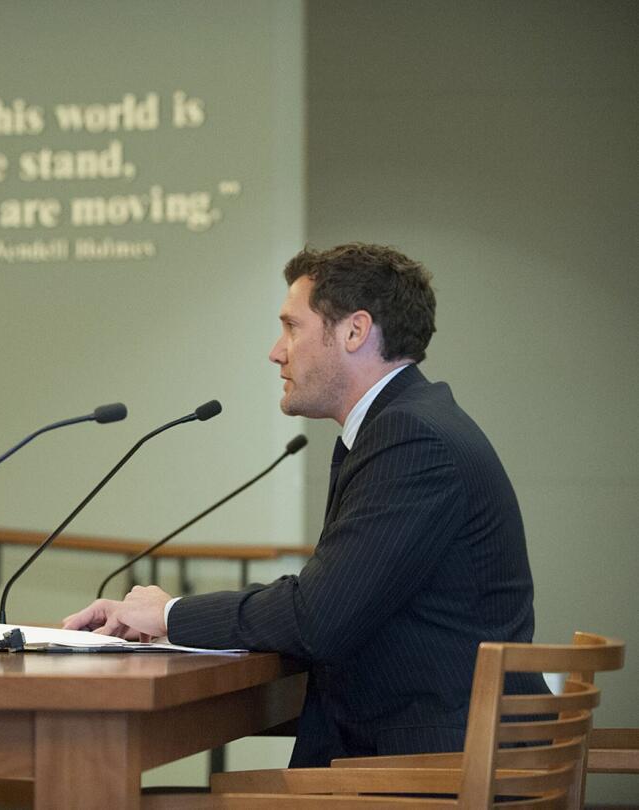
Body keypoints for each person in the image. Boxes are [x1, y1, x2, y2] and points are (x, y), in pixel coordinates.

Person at [63, 243, 545, 767]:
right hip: (428, 750)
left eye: (292, 326)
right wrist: (166, 618)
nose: (276, 350)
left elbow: (319, 617)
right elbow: (331, 600)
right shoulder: (407, 422)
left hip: (431, 767)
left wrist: (169, 615)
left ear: (355, 332)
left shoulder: (411, 436)